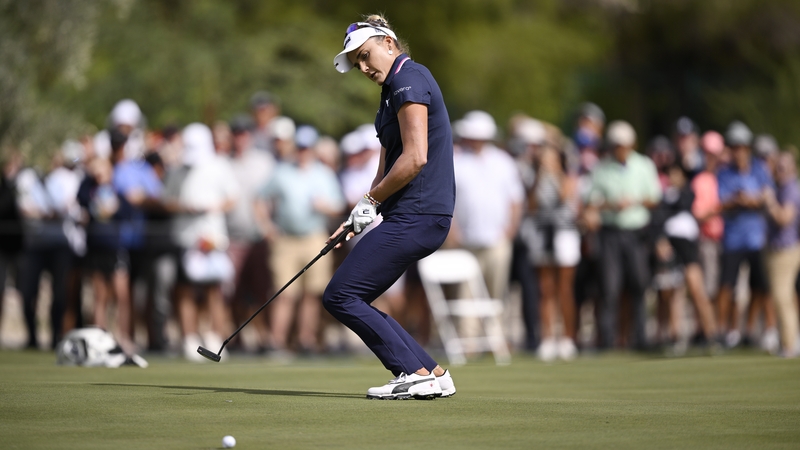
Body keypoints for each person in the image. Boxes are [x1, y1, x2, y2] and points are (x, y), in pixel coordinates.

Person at [326, 14, 456, 399]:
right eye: (357, 63)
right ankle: (431, 372)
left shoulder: (408, 79)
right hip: (410, 215)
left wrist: (371, 201)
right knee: (351, 294)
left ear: (388, 42)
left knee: (340, 295)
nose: (363, 68)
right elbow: (386, 166)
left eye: (365, 56)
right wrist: (357, 216)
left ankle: (412, 372)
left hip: (418, 214)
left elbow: (415, 158)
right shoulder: (391, 92)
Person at [257, 123, 344, 355]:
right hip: (286, 239)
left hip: (315, 238)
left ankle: (306, 340)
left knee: (312, 293)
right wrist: (267, 227)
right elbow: (259, 198)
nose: (304, 151)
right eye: (301, 147)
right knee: (284, 293)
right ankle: (276, 342)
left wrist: (324, 206)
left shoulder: (324, 174)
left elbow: (338, 207)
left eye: (308, 147)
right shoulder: (282, 171)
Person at [585, 120, 661, 350]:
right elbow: (591, 200)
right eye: (616, 145)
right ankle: (607, 340)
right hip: (611, 233)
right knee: (610, 287)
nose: (619, 149)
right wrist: (611, 205)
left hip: (636, 233)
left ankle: (640, 338)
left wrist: (635, 202)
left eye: (623, 145)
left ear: (632, 144)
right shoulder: (601, 168)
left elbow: (654, 198)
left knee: (639, 285)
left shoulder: (644, 165)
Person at [715, 121, 775, 350]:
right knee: (726, 286)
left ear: (748, 148)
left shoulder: (760, 169)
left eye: (741, 146)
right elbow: (722, 201)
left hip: (756, 238)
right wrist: (739, 201)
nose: (738, 151)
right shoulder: (724, 173)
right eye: (734, 147)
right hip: (733, 239)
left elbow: (766, 197)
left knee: (760, 287)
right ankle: (723, 332)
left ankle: (752, 330)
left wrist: (749, 200)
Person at [764, 152, 800, 357]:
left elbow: (785, 218)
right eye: (778, 167)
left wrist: (769, 202)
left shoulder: (790, 189)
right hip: (779, 249)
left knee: (782, 296)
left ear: (792, 168)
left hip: (786, 249)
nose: (780, 171)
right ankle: (787, 341)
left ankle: (790, 344)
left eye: (783, 167)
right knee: (783, 297)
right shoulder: (784, 188)